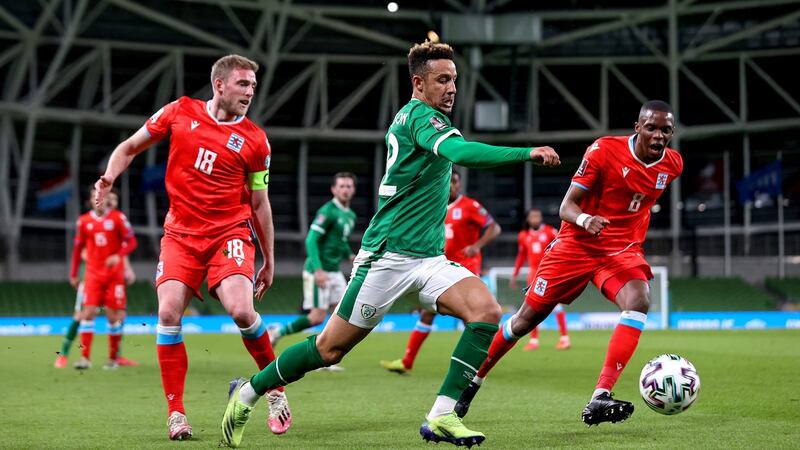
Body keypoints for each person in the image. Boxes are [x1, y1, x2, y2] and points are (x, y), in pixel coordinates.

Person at [219, 41, 559, 448]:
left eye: (454, 80)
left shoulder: (421, 118)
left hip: (429, 259)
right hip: (386, 258)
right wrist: (526, 152)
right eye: (442, 80)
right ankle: (247, 393)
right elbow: (461, 151)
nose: (452, 88)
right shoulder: (421, 117)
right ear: (419, 83)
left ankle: (443, 414)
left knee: (486, 311)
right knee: (328, 350)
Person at [93, 54, 291, 440]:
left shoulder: (256, 141)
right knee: (168, 313)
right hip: (180, 235)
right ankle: (176, 414)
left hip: (229, 234)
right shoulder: (180, 111)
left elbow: (259, 203)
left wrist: (269, 259)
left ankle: (276, 391)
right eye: (243, 84)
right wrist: (108, 177)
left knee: (241, 310)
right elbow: (128, 147)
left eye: (253, 85)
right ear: (219, 85)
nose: (250, 91)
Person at [454, 100, 683, 427]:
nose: (659, 135)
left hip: (620, 251)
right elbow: (567, 207)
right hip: (576, 245)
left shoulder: (673, 164)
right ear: (637, 128)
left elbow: (636, 204)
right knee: (524, 322)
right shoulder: (604, 151)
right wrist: (587, 219)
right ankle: (474, 379)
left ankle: (600, 395)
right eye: (651, 128)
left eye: (666, 130)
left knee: (639, 299)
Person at [380, 170, 501, 373]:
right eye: (449, 181)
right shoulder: (434, 206)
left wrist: (477, 246)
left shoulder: (470, 206)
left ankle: (479, 364)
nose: (452, 185)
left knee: (472, 315)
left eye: (455, 182)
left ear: (459, 184)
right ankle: (407, 361)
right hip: (441, 267)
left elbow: (494, 228)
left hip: (466, 269)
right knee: (427, 314)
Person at [268, 172, 358, 373]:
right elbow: (311, 239)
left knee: (342, 313)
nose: (345, 190)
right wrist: (318, 270)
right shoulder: (328, 211)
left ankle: (327, 354)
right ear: (333, 189)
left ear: (353, 190)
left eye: (349, 186)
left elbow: (340, 240)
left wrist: (349, 255)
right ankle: (277, 333)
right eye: (342, 186)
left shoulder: (350, 215)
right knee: (317, 317)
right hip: (318, 270)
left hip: (334, 271)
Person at [55, 191, 139, 369]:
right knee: (84, 314)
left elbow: (130, 242)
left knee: (115, 316)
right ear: (90, 201)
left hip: (113, 276)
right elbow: (78, 250)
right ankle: (72, 355)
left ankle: (114, 358)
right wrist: (73, 274)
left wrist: (121, 260)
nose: (100, 200)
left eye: (104, 197)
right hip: (92, 275)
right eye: (96, 197)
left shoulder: (118, 218)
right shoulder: (84, 221)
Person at [509, 208, 570, 351]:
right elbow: (521, 256)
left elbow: (563, 247)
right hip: (533, 275)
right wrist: (515, 275)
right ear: (528, 219)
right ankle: (534, 340)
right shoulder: (523, 235)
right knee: (531, 307)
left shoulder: (550, 232)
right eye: (533, 216)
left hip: (550, 273)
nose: (536, 219)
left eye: (538, 216)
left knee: (556, 305)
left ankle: (564, 338)